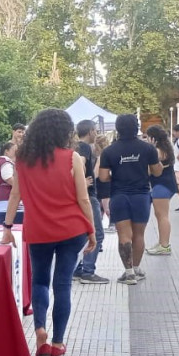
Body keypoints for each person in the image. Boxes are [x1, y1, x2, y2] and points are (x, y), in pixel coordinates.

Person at [1, 109, 95, 356]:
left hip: (38, 229)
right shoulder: (72, 157)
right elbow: (83, 199)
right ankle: (57, 342)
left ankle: (40, 329)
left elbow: (15, 195)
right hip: (71, 229)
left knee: (40, 281)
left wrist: (7, 228)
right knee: (62, 284)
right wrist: (92, 230)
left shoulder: (22, 159)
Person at [98, 114, 162, 285]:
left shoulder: (109, 151)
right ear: (137, 127)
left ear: (117, 128)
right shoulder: (148, 149)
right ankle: (136, 268)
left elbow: (103, 177)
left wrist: (118, 177)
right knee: (139, 235)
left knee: (124, 235)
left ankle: (128, 273)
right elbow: (157, 172)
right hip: (141, 196)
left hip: (119, 196)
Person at [71, 120, 107, 283]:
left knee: (81, 233)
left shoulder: (74, 146)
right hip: (88, 194)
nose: (96, 133)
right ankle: (88, 271)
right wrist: (82, 181)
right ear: (91, 131)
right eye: (95, 130)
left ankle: (78, 269)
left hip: (78, 194)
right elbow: (81, 164)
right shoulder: (84, 147)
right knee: (96, 232)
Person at [144, 125, 177, 256]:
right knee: (160, 215)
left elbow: (149, 169)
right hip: (166, 184)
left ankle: (165, 245)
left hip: (161, 185)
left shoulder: (157, 151)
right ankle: (162, 242)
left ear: (153, 138)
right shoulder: (165, 149)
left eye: (147, 137)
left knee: (162, 215)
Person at [94, 133, 114, 232]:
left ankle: (108, 227)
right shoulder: (110, 155)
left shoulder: (100, 157)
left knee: (104, 211)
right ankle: (112, 225)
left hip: (101, 187)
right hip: (109, 185)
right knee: (107, 210)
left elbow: (95, 174)